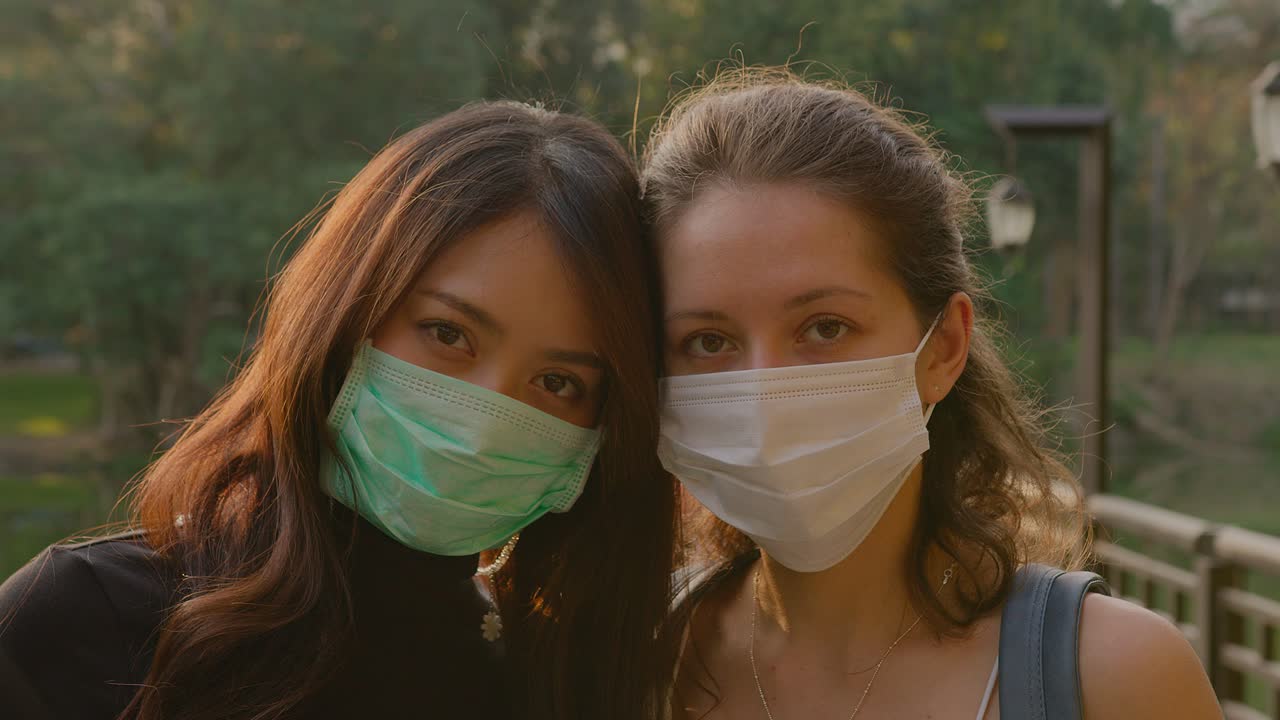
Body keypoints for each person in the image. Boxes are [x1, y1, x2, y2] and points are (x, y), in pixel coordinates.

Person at [0, 101, 678, 720]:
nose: (484, 413)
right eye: (447, 334)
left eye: (558, 382)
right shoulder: (85, 621)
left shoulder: (560, 683)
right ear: (345, 314)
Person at [642, 67, 1222, 720]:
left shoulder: (1115, 677)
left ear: (943, 348)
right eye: (709, 342)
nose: (762, 392)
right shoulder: (630, 664)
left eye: (824, 327)